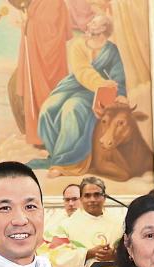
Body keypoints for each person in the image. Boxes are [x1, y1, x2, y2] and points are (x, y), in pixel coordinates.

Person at [32, 14, 127, 171]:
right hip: (75, 85)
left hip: (97, 93)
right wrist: (101, 82)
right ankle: (55, 151)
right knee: (48, 108)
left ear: (103, 28)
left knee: (72, 108)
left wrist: (121, 93)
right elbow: (81, 71)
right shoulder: (78, 45)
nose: (89, 23)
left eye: (94, 22)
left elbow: (118, 76)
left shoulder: (111, 50)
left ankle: (64, 162)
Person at [15, 0, 71, 146]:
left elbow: (54, 30)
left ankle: (53, 136)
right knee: (33, 92)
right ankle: (38, 137)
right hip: (35, 58)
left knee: (52, 95)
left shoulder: (55, 3)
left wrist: (30, 23)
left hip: (50, 62)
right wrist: (26, 23)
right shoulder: (35, 3)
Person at [50, 176, 123, 267]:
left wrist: (114, 254)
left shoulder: (119, 224)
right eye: (87, 196)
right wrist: (88, 254)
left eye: (97, 195)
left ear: (104, 197)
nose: (92, 199)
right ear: (81, 199)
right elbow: (57, 257)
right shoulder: (66, 225)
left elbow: (133, 253)